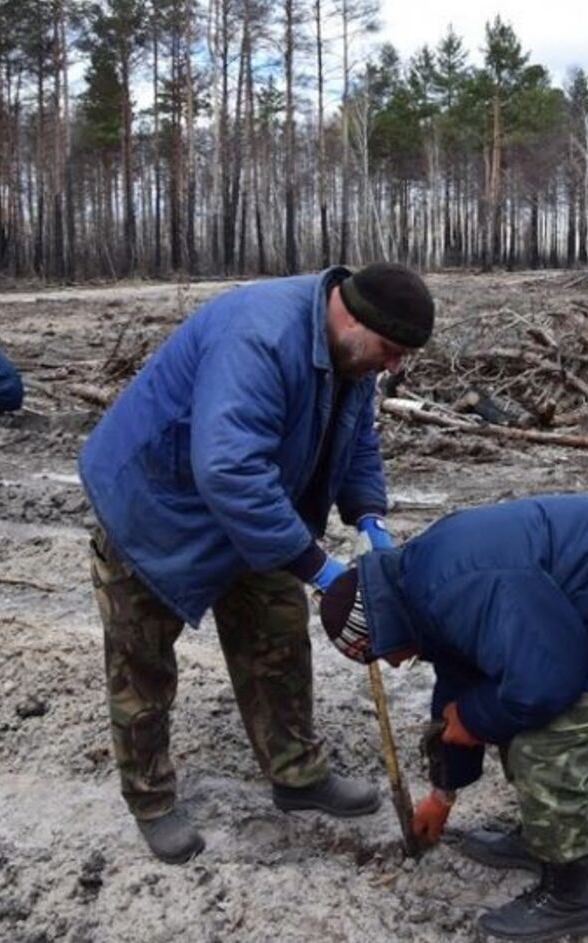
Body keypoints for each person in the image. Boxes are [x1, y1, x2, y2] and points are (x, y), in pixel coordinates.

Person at [77, 263, 433, 865]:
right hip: (156, 504)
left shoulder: (350, 353)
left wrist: (370, 518)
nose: (393, 367)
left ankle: (297, 773)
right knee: (142, 663)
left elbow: (356, 438)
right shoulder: (260, 336)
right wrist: (320, 569)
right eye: (390, 351)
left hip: (253, 504)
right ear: (352, 318)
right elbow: (229, 468)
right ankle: (151, 798)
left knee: (277, 637)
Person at [319, 491, 588, 942]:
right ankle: (544, 834)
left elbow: (547, 683)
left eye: (379, 654)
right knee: (505, 706)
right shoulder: (419, 582)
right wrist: (444, 792)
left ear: (379, 627)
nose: (394, 665)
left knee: (543, 748)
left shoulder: (454, 589)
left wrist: (477, 719)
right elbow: (460, 683)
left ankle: (570, 897)